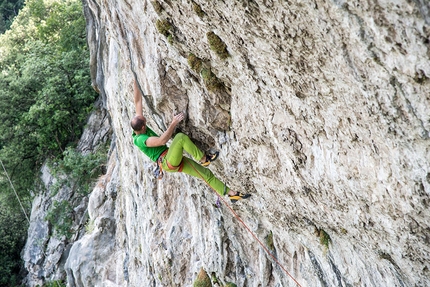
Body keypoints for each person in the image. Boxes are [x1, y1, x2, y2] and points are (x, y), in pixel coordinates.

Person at [131, 79, 250, 203]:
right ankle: (204, 159)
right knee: (180, 138)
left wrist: (136, 80)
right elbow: (162, 141)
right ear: (143, 127)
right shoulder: (141, 140)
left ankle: (232, 194)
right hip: (167, 161)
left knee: (205, 174)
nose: (143, 117)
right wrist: (173, 124)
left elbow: (137, 101)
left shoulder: (138, 127)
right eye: (144, 120)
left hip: (171, 160)